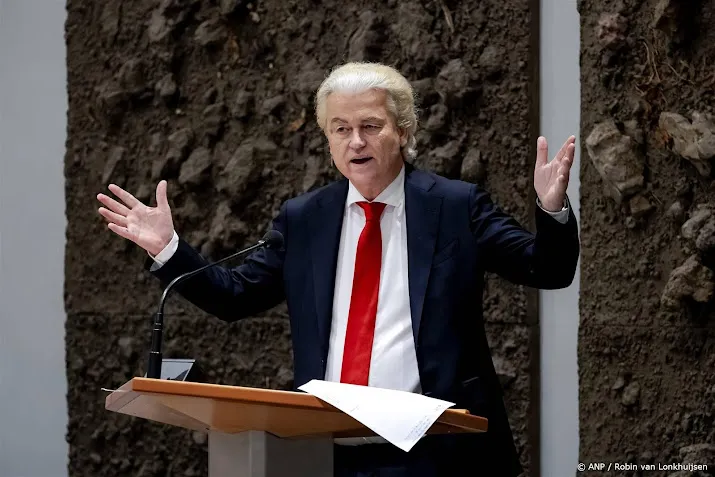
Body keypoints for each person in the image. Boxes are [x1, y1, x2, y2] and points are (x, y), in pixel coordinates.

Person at [97, 62, 579, 477]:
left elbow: (547, 270)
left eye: (370, 125)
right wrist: (168, 248)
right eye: (341, 129)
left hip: (440, 450)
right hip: (327, 452)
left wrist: (551, 208)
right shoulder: (305, 218)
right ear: (328, 139)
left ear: (403, 131)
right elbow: (234, 296)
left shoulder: (456, 206)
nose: (356, 141)